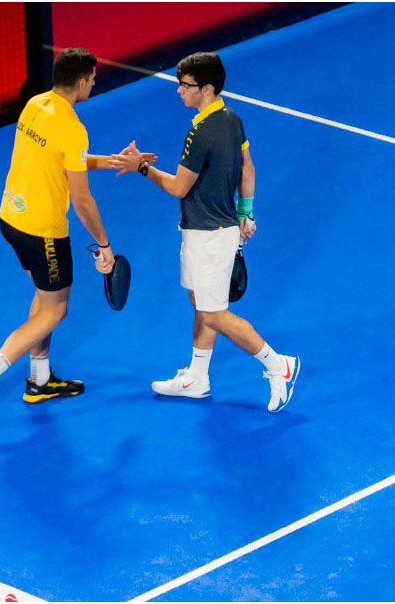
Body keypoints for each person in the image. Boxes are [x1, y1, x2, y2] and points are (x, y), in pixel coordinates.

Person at [0, 48, 151, 421]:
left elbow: (65, 159)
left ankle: (39, 380)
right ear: (81, 82)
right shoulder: (73, 127)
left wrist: (112, 161)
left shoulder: (35, 105)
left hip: (11, 219)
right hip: (43, 232)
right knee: (56, 309)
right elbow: (81, 200)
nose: (94, 82)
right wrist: (105, 245)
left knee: (45, 295)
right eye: (92, 78)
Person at [108, 51, 300, 412]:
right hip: (207, 229)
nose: (179, 90)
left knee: (213, 313)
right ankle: (197, 378)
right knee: (200, 302)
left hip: (209, 236)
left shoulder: (201, 132)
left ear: (207, 88)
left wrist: (141, 168)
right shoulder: (232, 118)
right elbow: (247, 168)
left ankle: (279, 365)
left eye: (185, 85)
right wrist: (246, 212)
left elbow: (179, 187)